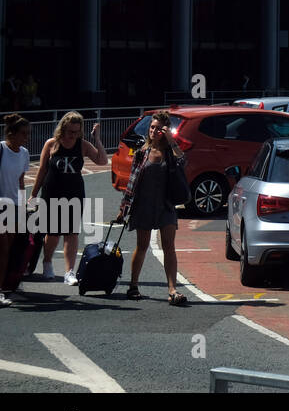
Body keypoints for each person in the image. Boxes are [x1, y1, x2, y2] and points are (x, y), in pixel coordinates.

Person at [117, 111, 187, 304]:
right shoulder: (142, 153)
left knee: (169, 247)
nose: (154, 131)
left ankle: (172, 290)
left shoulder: (171, 153)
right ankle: (133, 285)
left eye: (159, 128)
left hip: (165, 205)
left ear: (165, 130)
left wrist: (171, 140)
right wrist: (123, 208)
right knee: (142, 246)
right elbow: (131, 183)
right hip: (144, 205)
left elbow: (183, 161)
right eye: (152, 127)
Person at [30, 111, 107, 284]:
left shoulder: (82, 145)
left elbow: (102, 161)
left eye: (76, 132)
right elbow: (42, 170)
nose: (73, 135)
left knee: (72, 233)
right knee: (53, 232)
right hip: (52, 193)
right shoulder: (52, 144)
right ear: (63, 129)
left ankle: (69, 272)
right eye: (70, 131)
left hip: (74, 193)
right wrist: (33, 194)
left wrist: (97, 139)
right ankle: (47, 262)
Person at [0, 114, 30, 307]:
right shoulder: (1, 149)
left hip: (13, 206)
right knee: (2, 249)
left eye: (28, 134)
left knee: (7, 250)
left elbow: (20, 181)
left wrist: (22, 206)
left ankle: (4, 286)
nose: (26, 138)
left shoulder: (24, 153)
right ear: (11, 133)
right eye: (23, 134)